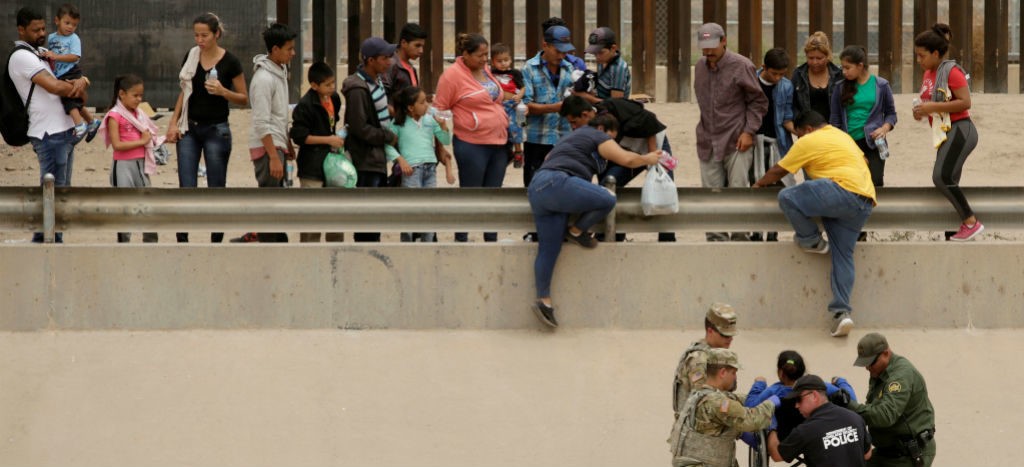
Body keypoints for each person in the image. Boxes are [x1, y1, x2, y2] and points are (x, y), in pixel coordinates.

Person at [527, 110, 661, 328]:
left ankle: (544, 301)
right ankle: (577, 231)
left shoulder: (569, 139)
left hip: (539, 190)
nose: (613, 143)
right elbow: (627, 159)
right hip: (557, 182)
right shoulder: (596, 135)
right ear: (602, 129)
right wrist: (648, 158)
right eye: (612, 138)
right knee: (607, 199)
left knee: (549, 250)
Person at [753, 110, 875, 337]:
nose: (800, 139)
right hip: (864, 200)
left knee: (787, 197)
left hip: (840, 190)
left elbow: (780, 170)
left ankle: (811, 240)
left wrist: (759, 185)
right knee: (843, 255)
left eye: (799, 135)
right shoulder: (842, 136)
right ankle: (842, 314)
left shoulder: (809, 140)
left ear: (807, 129)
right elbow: (864, 160)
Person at [9, 7, 91, 243]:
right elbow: (54, 86)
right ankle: (46, 243)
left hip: (64, 131)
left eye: (44, 28)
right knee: (53, 193)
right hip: (48, 133)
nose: (42, 33)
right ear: (21, 30)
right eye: (36, 30)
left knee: (61, 193)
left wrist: (81, 82)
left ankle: (51, 240)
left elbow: (73, 88)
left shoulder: (42, 53)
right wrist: (79, 83)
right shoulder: (21, 56)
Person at [166, 12, 248, 243]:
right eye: (196, 35)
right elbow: (185, 91)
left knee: (216, 186)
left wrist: (224, 92)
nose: (200, 40)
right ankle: (183, 239)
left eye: (204, 35)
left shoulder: (230, 62)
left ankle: (216, 240)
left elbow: (243, 98)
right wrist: (173, 122)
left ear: (216, 34)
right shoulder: (191, 56)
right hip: (190, 127)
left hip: (216, 129)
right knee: (186, 185)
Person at [694, 22, 768, 242]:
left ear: (724, 41)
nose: (708, 52)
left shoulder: (742, 65)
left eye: (712, 46)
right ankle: (716, 239)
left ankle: (739, 239)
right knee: (710, 195)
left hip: (737, 139)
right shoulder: (699, 66)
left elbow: (758, 102)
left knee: (738, 191)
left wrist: (749, 131)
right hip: (707, 140)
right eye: (704, 47)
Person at [432, 33, 508, 243]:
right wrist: (441, 143)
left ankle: (491, 239)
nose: (485, 59)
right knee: (471, 195)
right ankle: (462, 239)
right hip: (472, 144)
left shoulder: (485, 70)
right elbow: (438, 110)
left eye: (487, 55)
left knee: (494, 196)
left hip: (499, 142)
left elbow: (495, 100)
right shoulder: (452, 76)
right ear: (465, 54)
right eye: (480, 55)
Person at [913, 23, 984, 241]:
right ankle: (953, 229)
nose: (918, 60)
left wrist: (932, 108)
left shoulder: (952, 71)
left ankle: (971, 222)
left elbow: (965, 102)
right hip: (944, 132)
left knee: (941, 177)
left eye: (922, 55)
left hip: (961, 130)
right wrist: (921, 112)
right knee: (949, 178)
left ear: (936, 53)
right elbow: (931, 102)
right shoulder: (928, 73)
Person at [838, 333, 937, 467]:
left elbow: (885, 415)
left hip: (908, 455)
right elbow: (873, 407)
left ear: (885, 353)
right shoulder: (879, 371)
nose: (867, 368)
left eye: (871, 363)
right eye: (865, 364)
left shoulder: (900, 376)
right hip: (887, 452)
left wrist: (849, 406)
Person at [668, 348, 777, 467]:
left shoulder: (699, 394)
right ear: (723, 372)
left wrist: (759, 397)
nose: (735, 378)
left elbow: (740, 400)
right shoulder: (717, 402)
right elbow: (750, 420)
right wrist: (771, 403)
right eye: (733, 373)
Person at [744, 350, 858, 461]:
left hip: (783, 441)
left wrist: (759, 384)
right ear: (802, 371)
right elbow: (850, 399)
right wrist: (840, 381)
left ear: (780, 373)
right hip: (818, 436)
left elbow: (750, 407)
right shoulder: (818, 388)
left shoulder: (774, 391)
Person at [342, 37, 400, 243]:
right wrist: (387, 137)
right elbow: (359, 127)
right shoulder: (358, 89)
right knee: (367, 219)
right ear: (370, 60)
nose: (390, 62)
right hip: (366, 159)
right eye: (385, 58)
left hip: (377, 156)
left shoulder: (377, 81)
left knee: (375, 217)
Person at [247, 23, 296, 243]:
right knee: (269, 205)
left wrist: (287, 143)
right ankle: (269, 250)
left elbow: (279, 115)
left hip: (278, 145)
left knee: (279, 205)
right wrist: (274, 156)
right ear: (275, 49)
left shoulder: (279, 72)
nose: (293, 53)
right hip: (268, 149)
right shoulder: (263, 79)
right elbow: (261, 122)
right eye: (289, 49)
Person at [385, 86, 453, 243]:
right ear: (410, 107)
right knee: (411, 209)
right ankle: (407, 243)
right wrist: (400, 160)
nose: (427, 106)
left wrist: (443, 127)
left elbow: (445, 141)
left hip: (430, 169)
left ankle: (427, 243)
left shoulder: (430, 121)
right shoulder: (398, 123)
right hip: (411, 171)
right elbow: (387, 145)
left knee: (429, 209)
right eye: (422, 102)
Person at [101, 74, 160, 243]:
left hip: (141, 164)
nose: (139, 99)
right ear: (122, 94)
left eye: (141, 96)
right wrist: (141, 141)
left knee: (147, 202)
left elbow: (150, 133)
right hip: (123, 166)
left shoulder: (140, 114)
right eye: (135, 95)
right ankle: (124, 242)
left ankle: (150, 242)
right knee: (124, 205)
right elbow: (117, 145)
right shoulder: (115, 116)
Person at [290, 61, 344, 243]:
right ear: (314, 86)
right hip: (311, 165)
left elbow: (332, 123)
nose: (332, 88)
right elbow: (299, 136)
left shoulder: (334, 99)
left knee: (335, 214)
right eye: (327, 85)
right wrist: (328, 140)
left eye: (333, 83)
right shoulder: (305, 106)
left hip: (331, 163)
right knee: (312, 216)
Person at [830, 45, 897, 188]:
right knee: (853, 183)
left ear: (860, 66)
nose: (844, 72)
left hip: (874, 142)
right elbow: (835, 120)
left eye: (847, 68)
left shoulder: (881, 85)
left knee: (875, 182)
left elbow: (891, 114)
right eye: (842, 67)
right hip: (849, 143)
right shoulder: (839, 87)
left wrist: (884, 129)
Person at [521, 25, 577, 188]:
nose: (562, 56)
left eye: (565, 52)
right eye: (558, 51)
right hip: (537, 139)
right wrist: (557, 107)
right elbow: (525, 106)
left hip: (564, 138)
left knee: (562, 185)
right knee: (534, 185)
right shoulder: (529, 69)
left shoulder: (569, 68)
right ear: (545, 45)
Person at [751, 48, 796, 242]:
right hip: (753, 141)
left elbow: (786, 116)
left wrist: (799, 132)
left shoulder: (786, 87)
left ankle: (773, 231)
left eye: (782, 74)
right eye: (774, 73)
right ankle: (755, 231)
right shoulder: (750, 81)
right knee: (754, 183)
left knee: (779, 184)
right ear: (764, 68)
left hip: (778, 141)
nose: (778, 78)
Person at [776, 374, 872, 467]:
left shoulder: (805, 431)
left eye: (798, 399)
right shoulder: (854, 417)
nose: (796, 405)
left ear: (814, 396)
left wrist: (771, 426)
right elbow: (867, 454)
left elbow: (777, 456)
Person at [43, 3, 99, 142]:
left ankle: (80, 125)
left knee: (68, 98)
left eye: (74, 25)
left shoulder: (73, 38)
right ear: (57, 21)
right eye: (67, 23)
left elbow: (75, 57)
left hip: (70, 72)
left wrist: (56, 56)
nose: (70, 27)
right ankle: (92, 122)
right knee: (75, 99)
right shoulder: (51, 38)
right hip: (58, 74)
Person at [672, 303, 738, 417]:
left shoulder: (719, 355)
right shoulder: (699, 360)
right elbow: (703, 403)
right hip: (696, 431)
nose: (730, 339)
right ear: (710, 331)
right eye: (725, 335)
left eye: (731, 335)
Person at [792, 31, 843, 121]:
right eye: (810, 58)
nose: (815, 62)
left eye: (819, 58)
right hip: (808, 129)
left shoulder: (839, 75)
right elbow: (793, 105)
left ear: (827, 56)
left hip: (833, 129)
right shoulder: (798, 74)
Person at [489, 43, 525, 168]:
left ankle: (518, 151)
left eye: (506, 60)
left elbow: (523, 87)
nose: (503, 63)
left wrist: (519, 96)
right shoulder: (490, 73)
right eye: (499, 61)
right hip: (497, 105)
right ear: (492, 62)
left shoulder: (515, 73)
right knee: (497, 128)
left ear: (510, 59)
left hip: (512, 105)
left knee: (515, 128)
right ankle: (502, 151)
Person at [580, 26, 630, 102]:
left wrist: (587, 97)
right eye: (595, 53)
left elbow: (617, 105)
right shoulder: (603, 61)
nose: (597, 57)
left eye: (601, 52)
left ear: (613, 48)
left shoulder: (619, 69)